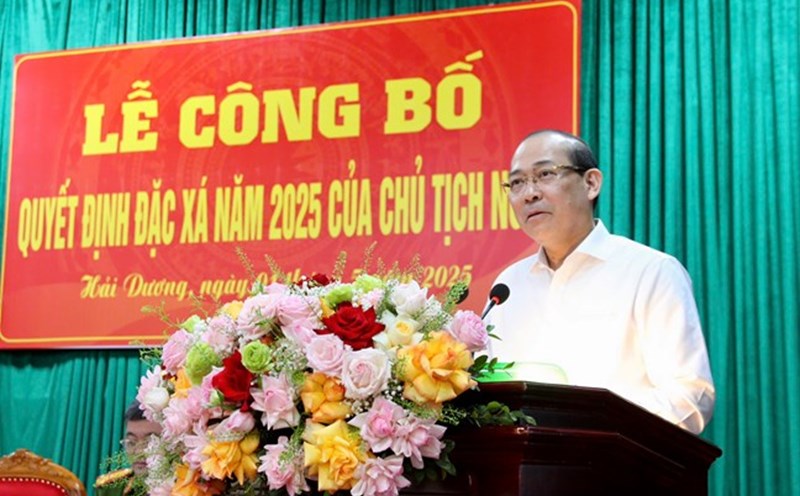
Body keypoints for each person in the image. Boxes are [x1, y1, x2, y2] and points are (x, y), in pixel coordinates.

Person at [487, 129, 715, 434]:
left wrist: (591, 425)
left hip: (618, 470)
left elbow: (689, 397)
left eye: (545, 174)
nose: (530, 193)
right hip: (521, 470)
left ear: (591, 183)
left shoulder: (650, 272)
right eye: (517, 182)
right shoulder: (508, 287)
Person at [95, 399, 161, 495]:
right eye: (132, 442)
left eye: (149, 443)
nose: (138, 452)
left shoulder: (187, 489)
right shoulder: (111, 489)